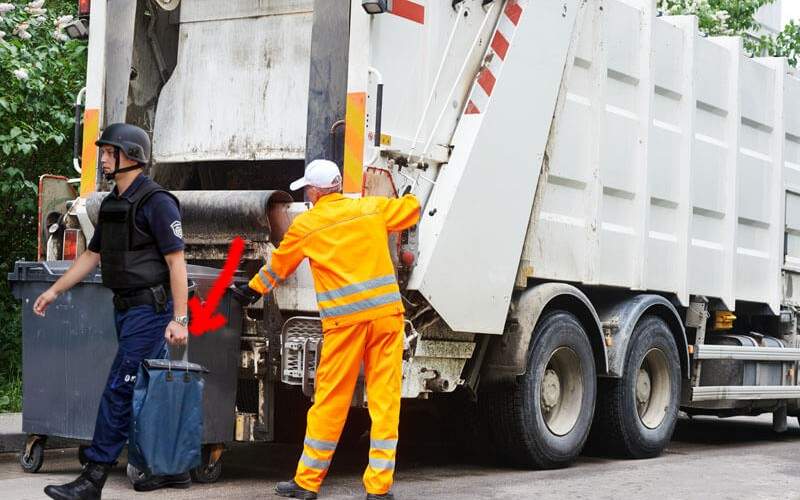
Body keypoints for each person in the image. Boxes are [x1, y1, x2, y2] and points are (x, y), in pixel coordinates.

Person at [233, 159, 420, 500]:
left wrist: (250, 290)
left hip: (345, 325)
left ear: (316, 191)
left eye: (307, 188)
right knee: (385, 402)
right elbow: (411, 210)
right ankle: (378, 489)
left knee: (330, 401)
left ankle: (307, 483)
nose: (307, 192)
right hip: (386, 320)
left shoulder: (309, 224)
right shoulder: (370, 208)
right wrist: (410, 189)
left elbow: (279, 266)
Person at [34, 123, 191, 500]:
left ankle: (93, 478)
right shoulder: (113, 204)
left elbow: (177, 262)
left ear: (129, 156)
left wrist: (179, 318)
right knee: (142, 389)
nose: (103, 158)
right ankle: (167, 467)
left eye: (108, 152)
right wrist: (55, 290)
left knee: (119, 388)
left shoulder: (157, 202)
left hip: (150, 310)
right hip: (125, 308)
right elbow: (92, 255)